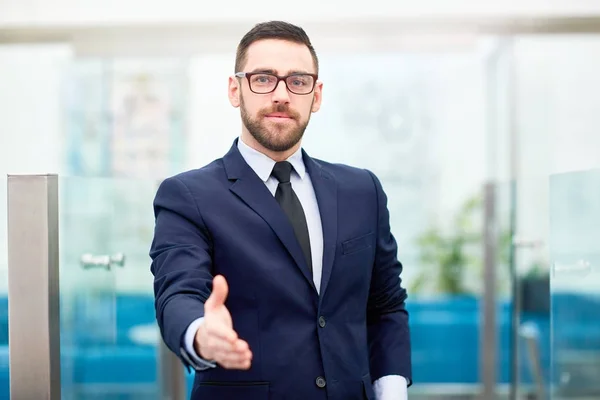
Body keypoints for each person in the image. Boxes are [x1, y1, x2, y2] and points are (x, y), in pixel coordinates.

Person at [150, 20, 411, 400]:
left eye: (298, 81)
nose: (281, 95)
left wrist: (391, 392)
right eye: (263, 79)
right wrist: (202, 333)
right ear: (235, 89)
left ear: (316, 96)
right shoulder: (187, 195)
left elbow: (386, 305)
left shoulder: (362, 190)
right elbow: (178, 294)